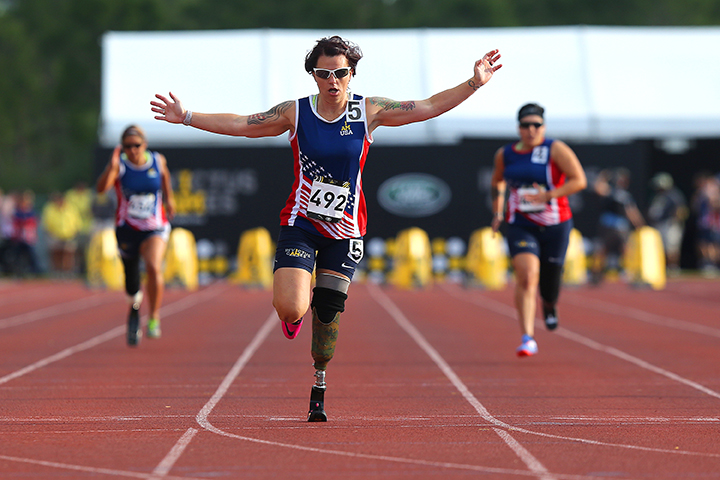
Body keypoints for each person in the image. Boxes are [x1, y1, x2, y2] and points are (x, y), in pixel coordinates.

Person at [151, 35, 501, 421]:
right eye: (324, 73)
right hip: (301, 223)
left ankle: (319, 376)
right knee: (290, 307)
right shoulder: (295, 113)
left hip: (346, 230)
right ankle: (296, 314)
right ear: (314, 76)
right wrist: (187, 117)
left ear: (351, 75)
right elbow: (243, 124)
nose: (332, 81)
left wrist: (474, 83)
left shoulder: (369, 111)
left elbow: (429, 106)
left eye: (340, 73)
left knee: (329, 314)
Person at [490, 103, 586, 357]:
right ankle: (527, 337)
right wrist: (498, 212)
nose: (531, 130)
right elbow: (497, 182)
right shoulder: (506, 154)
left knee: (550, 279)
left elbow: (579, 180)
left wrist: (549, 195)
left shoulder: (555, 148)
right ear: (518, 127)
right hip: (521, 225)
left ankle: (550, 305)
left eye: (536, 125)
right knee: (527, 275)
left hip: (556, 223)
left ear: (543, 127)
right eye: (525, 125)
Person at [96, 125, 176, 346]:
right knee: (131, 280)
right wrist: (110, 168)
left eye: (137, 146)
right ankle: (134, 308)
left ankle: (154, 317)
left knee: (153, 266)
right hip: (127, 228)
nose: (133, 150)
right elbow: (101, 189)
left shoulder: (157, 161)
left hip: (154, 227)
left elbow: (165, 177)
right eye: (128, 146)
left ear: (145, 145)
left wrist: (170, 199)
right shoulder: (119, 165)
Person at [590, 167, 645, 283]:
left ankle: (628, 270)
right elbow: (597, 188)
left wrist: (640, 225)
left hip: (619, 226)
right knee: (603, 249)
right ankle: (597, 271)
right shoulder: (610, 191)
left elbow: (632, 211)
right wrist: (603, 176)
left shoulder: (624, 195)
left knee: (625, 248)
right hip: (608, 225)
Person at [647, 172, 687, 275]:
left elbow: (681, 210)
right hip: (659, 224)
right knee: (660, 247)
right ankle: (663, 267)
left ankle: (673, 267)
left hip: (670, 224)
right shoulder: (658, 196)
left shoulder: (674, 195)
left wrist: (676, 221)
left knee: (671, 247)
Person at [40, 191, 82, 277]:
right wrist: (51, 233)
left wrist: (75, 232)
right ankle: (57, 271)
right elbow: (46, 223)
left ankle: (68, 271)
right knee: (56, 254)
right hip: (54, 235)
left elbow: (77, 221)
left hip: (69, 235)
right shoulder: (49, 208)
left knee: (68, 254)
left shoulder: (71, 208)